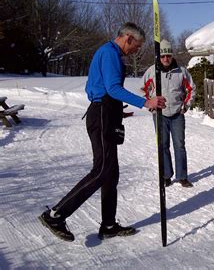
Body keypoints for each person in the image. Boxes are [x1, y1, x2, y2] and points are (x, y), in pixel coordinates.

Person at [38, 22, 166, 242]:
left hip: (104, 114)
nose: (136, 50)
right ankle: (55, 215)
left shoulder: (107, 53)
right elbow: (113, 88)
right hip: (101, 116)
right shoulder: (109, 54)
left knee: (111, 174)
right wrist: (146, 102)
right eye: (136, 46)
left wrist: (115, 111)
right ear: (128, 38)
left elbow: (95, 87)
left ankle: (108, 224)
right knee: (101, 171)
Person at [141, 39, 196, 188]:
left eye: (168, 56)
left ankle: (182, 176)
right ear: (159, 57)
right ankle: (166, 175)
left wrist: (186, 105)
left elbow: (191, 89)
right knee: (163, 145)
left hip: (177, 114)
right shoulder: (152, 71)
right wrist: (150, 104)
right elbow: (142, 89)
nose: (166, 59)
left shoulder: (181, 71)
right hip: (160, 115)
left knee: (179, 145)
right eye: (163, 56)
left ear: (172, 56)